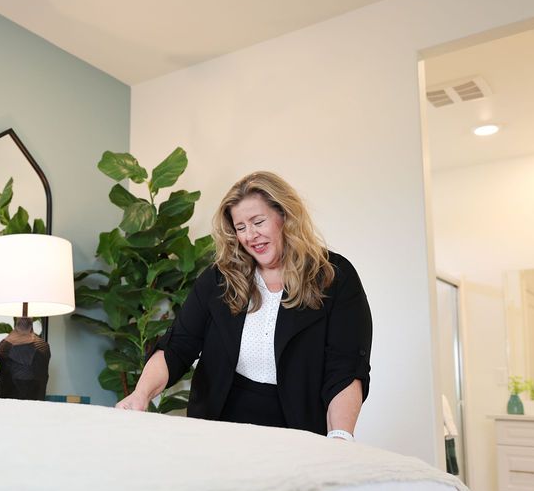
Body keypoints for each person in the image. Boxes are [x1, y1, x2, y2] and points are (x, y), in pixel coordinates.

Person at [116, 171, 372, 440]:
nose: (251, 235)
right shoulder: (218, 280)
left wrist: (341, 436)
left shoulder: (334, 276)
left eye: (258, 221)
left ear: (284, 216)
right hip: (219, 428)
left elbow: (345, 368)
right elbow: (178, 345)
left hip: (297, 431)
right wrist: (140, 395)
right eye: (241, 227)